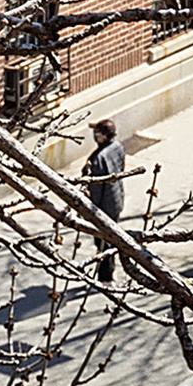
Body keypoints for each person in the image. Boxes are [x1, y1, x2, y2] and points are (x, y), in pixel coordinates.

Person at [83, 120, 129, 286]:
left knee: (103, 241)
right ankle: (109, 273)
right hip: (116, 199)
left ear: (102, 136)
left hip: (103, 206)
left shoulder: (97, 159)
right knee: (111, 236)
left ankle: (106, 278)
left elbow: (95, 190)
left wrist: (88, 209)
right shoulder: (118, 147)